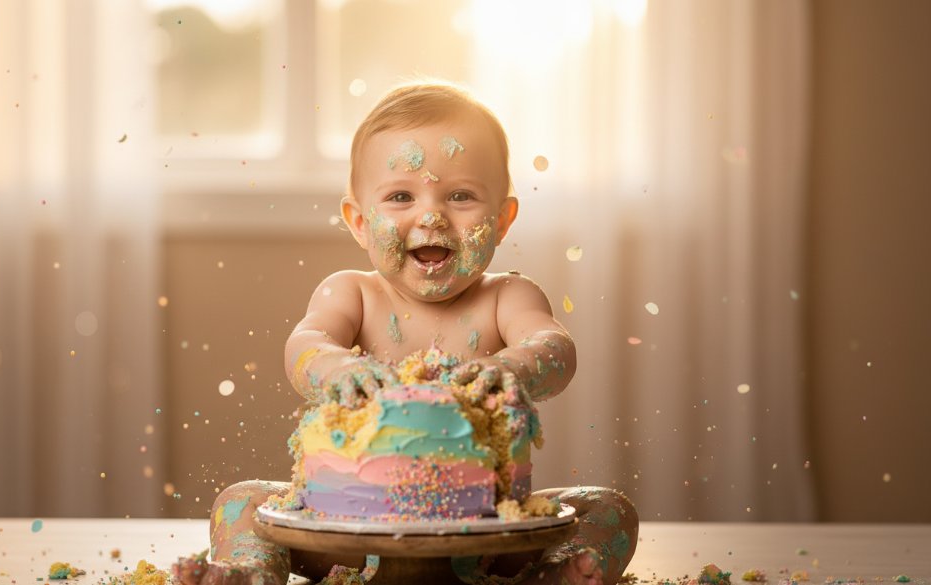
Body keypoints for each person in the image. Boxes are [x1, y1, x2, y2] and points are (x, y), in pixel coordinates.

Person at [177, 82, 638, 585]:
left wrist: (510, 367)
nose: (431, 215)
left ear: (503, 220)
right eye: (400, 196)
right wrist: (338, 366)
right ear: (357, 221)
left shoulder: (508, 296)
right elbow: (305, 345)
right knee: (243, 499)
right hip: (350, 532)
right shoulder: (351, 293)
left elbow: (555, 348)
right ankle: (251, 572)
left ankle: (551, 576)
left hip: (487, 529)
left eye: (460, 195)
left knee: (606, 509)